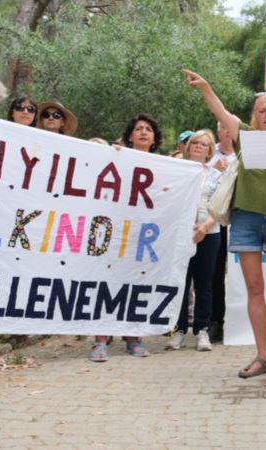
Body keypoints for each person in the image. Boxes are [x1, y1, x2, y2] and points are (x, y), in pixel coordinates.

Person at [182, 68, 266, 384]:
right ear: (255, 116)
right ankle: (263, 357)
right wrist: (206, 87)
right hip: (246, 221)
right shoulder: (244, 137)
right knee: (255, 289)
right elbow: (221, 112)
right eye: (262, 110)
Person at [89, 113, 162, 362]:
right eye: (138, 128)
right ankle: (100, 340)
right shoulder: (118, 157)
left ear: (154, 138)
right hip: (116, 230)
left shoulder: (167, 166)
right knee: (106, 283)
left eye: (148, 129)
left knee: (137, 285)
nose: (143, 132)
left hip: (144, 236)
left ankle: (133, 338)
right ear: (130, 135)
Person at [166, 129, 222, 352]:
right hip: (181, 233)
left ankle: (202, 330)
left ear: (210, 150)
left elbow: (219, 204)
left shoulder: (216, 175)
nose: (199, 146)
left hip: (209, 232)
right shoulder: (176, 171)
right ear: (187, 147)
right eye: (195, 143)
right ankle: (178, 330)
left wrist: (205, 225)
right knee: (181, 281)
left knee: (204, 283)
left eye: (204, 144)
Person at [207, 120, 238, 343]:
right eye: (223, 127)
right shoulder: (209, 155)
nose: (227, 131)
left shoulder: (244, 155)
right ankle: (215, 321)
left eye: (230, 127)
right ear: (218, 131)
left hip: (240, 220)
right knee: (215, 273)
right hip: (214, 222)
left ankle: (239, 320)